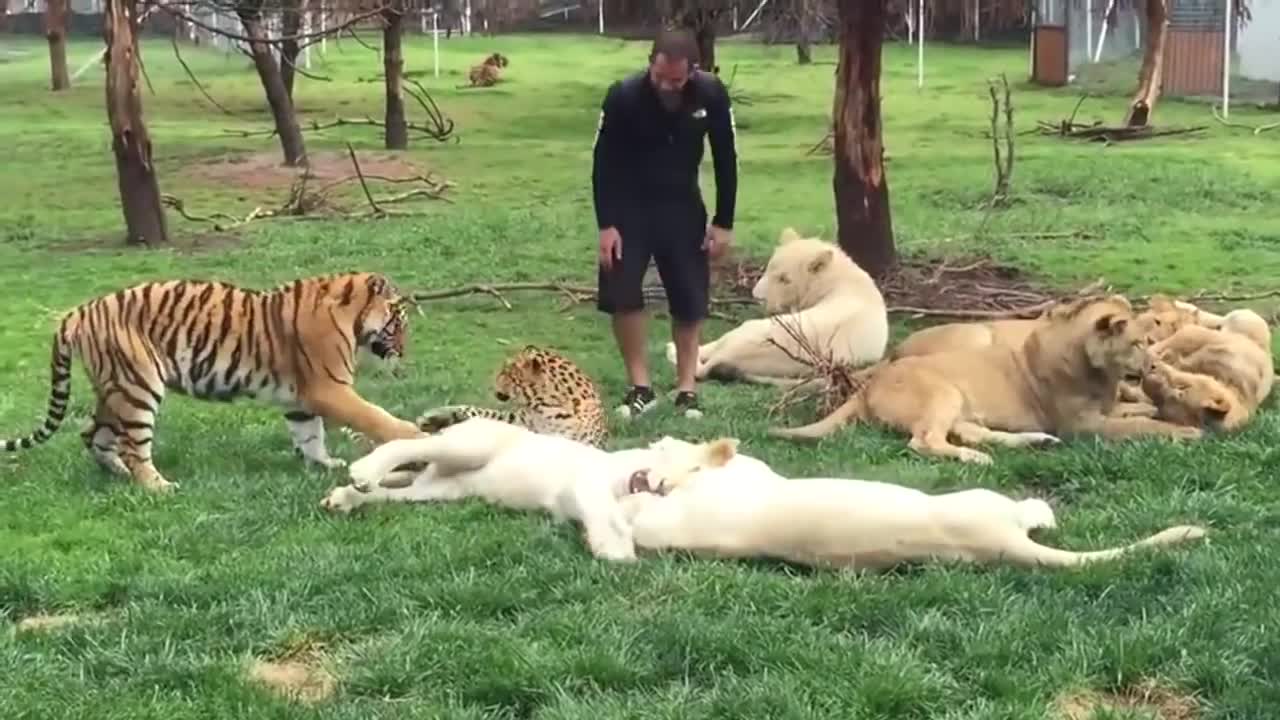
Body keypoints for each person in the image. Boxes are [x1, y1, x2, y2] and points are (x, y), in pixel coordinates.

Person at [591, 28, 738, 420]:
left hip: (682, 206)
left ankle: (686, 388)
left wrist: (724, 222)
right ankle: (640, 386)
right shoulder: (623, 95)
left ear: (692, 70)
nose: (665, 85)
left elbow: (726, 158)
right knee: (622, 292)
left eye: (674, 79)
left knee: (689, 299)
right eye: (658, 76)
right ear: (650, 65)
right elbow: (602, 163)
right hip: (629, 209)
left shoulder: (711, 94)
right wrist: (607, 225)